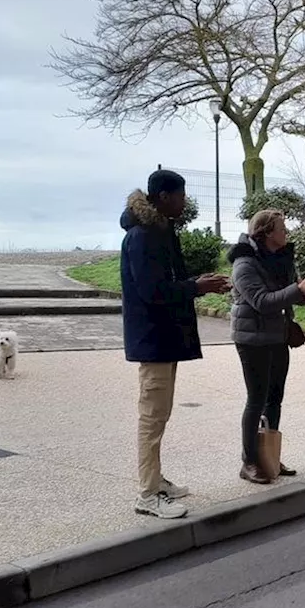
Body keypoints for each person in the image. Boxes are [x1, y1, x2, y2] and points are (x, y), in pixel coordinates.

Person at [120, 169, 231, 519]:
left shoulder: (162, 231)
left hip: (164, 337)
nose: (185, 202)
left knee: (160, 414)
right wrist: (196, 288)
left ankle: (155, 480)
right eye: (181, 196)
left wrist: (198, 282)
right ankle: (147, 494)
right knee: (151, 416)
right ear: (164, 197)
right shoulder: (141, 236)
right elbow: (151, 291)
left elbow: (168, 282)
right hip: (152, 338)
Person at [229, 209, 305, 484]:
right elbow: (261, 301)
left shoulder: (281, 258)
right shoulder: (244, 263)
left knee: (275, 399)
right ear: (266, 233)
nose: (287, 232)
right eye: (282, 228)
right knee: (256, 399)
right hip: (252, 340)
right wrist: (297, 290)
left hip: (277, 336)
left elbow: (290, 295)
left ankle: (268, 455)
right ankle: (249, 461)